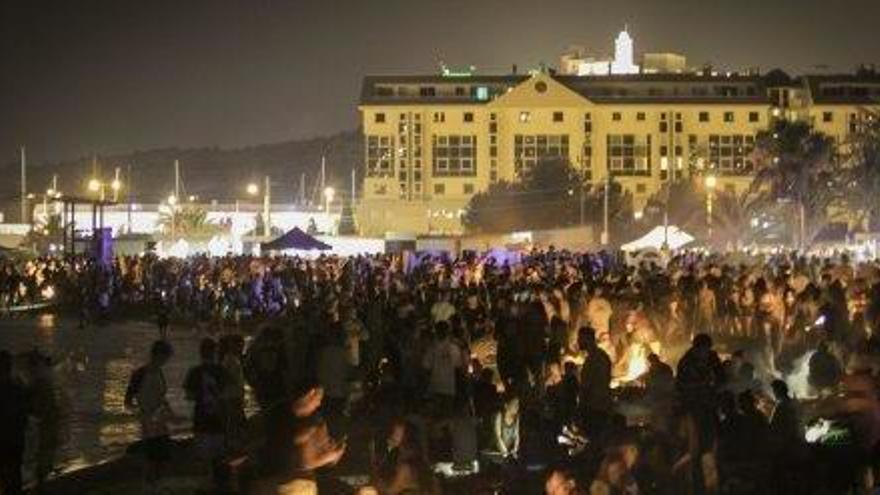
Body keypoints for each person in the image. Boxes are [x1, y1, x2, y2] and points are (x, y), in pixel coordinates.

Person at [125, 340, 175, 491]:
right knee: (151, 459)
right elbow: (127, 401)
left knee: (162, 459)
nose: (166, 361)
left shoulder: (160, 372)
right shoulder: (139, 374)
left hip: (161, 423)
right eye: (165, 357)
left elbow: (162, 397)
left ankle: (154, 486)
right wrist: (141, 411)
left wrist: (171, 412)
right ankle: (149, 487)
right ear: (158, 355)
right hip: (148, 424)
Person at [183, 337, 228, 486]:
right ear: (214, 352)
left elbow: (189, 396)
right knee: (219, 454)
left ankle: (206, 484)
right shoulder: (221, 370)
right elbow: (230, 391)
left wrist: (202, 395)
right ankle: (218, 483)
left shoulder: (194, 371)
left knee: (203, 456)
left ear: (200, 353)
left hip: (201, 416)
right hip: (219, 417)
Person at [0, 351, 30, 495]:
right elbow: (25, 414)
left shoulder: (13, 387)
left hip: (5, 438)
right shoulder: (19, 387)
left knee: (8, 474)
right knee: (14, 474)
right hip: (16, 438)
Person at [422, 321, 464, 417]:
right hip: (448, 386)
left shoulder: (432, 348)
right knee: (446, 417)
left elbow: (426, 367)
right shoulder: (453, 348)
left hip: (436, 385)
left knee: (437, 417)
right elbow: (458, 367)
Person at [578, 326, 612, 434]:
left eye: (580, 338)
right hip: (601, 406)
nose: (578, 341)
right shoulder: (601, 356)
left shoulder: (594, 359)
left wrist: (581, 407)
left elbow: (587, 386)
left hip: (594, 408)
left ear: (587, 339)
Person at [493, 395, 521, 460]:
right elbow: (498, 436)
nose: (517, 407)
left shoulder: (516, 417)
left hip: (508, 451)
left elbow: (516, 434)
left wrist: (515, 448)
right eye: (514, 404)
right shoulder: (499, 416)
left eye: (517, 404)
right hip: (497, 451)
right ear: (506, 405)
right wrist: (504, 452)